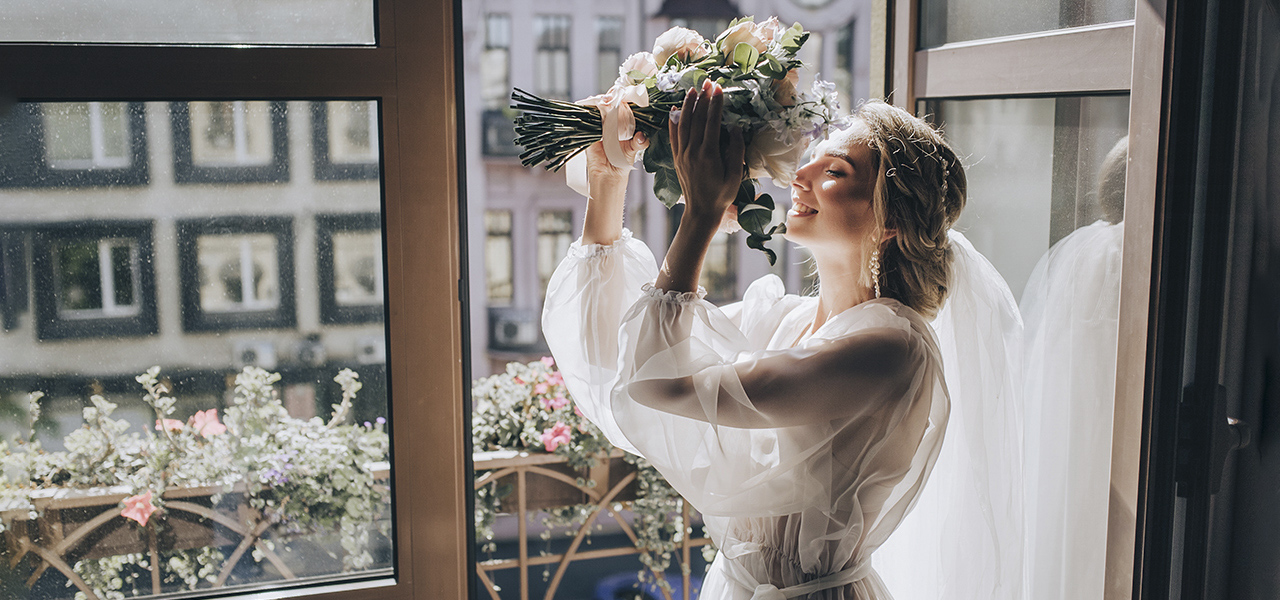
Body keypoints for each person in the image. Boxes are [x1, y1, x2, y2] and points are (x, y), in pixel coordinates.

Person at [543, 79, 1012, 599]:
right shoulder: (785, 321)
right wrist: (610, 179)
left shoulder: (891, 349)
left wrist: (699, 217)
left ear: (891, 221)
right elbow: (621, 354)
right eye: (809, 160)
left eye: (834, 171)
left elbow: (661, 385)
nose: (800, 175)